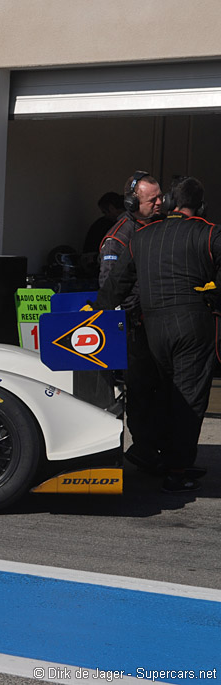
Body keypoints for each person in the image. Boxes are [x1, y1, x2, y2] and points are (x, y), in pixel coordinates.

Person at [96, 176, 220, 493]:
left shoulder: (142, 237)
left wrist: (93, 314)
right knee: (189, 400)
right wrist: (211, 299)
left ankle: (162, 457)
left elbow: (114, 287)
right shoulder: (209, 233)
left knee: (165, 396)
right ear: (201, 206)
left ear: (167, 204)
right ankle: (177, 470)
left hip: (153, 330)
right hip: (193, 327)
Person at [97, 172, 164, 475]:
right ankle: (143, 449)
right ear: (132, 202)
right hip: (134, 328)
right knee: (140, 391)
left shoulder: (156, 228)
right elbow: (111, 289)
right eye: (154, 199)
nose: (161, 203)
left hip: (156, 324)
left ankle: (155, 446)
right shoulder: (119, 237)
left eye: (161, 197)